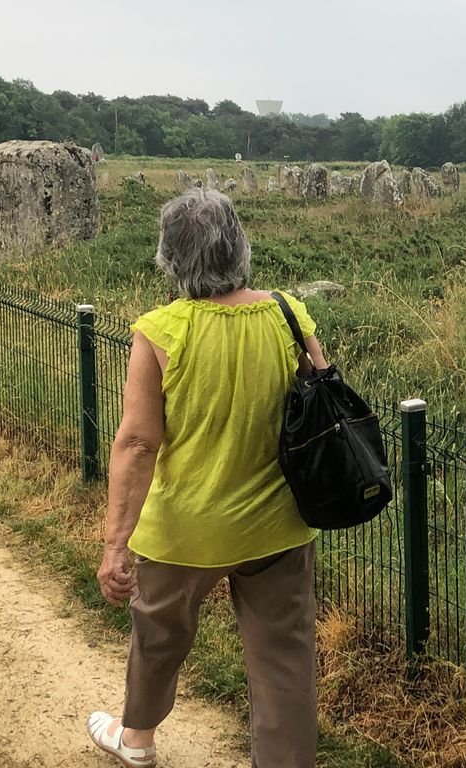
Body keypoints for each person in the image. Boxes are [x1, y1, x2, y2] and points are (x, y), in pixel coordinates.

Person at [87, 188, 328, 768]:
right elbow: (321, 397)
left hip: (184, 529)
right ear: (239, 244)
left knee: (158, 635)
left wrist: (115, 544)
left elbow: (139, 443)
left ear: (169, 255)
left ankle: (137, 739)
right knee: (285, 659)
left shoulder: (160, 331)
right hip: (277, 524)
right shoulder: (289, 314)